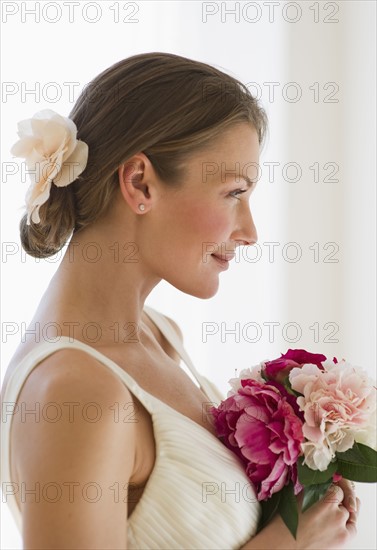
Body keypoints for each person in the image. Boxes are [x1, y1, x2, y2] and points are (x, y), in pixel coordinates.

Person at [1, 52, 359, 549]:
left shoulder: (160, 334)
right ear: (139, 182)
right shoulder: (76, 393)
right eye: (234, 192)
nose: (250, 232)